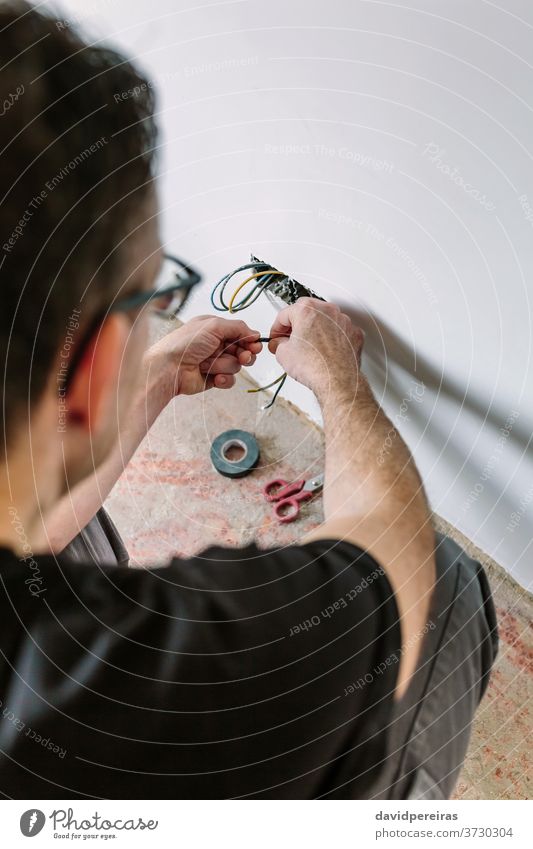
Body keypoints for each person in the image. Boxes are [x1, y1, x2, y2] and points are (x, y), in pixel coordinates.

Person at [0, 2, 497, 799]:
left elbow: (31, 538)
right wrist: (339, 382)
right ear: (90, 368)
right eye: (151, 296)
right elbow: (388, 559)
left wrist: (151, 380)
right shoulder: (124, 694)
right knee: (445, 585)